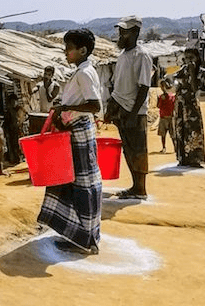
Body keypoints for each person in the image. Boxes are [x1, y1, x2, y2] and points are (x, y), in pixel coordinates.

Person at [38, 29, 102, 255]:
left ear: (82, 50)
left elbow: (95, 105)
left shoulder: (84, 73)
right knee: (78, 183)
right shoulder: (84, 71)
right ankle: (84, 236)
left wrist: (66, 108)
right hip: (77, 130)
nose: (66, 53)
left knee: (82, 185)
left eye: (69, 49)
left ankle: (85, 239)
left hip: (79, 132)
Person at [105, 15, 152, 200]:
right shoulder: (123, 56)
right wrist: (111, 109)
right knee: (128, 149)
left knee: (138, 150)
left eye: (124, 32)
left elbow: (144, 87)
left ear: (135, 33)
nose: (120, 35)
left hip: (134, 111)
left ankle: (141, 189)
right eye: (120, 31)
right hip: (121, 109)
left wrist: (133, 114)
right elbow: (118, 86)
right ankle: (135, 186)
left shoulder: (142, 56)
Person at [165, 47, 205, 167]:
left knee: (194, 131)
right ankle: (182, 159)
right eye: (186, 58)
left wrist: (192, 72)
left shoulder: (202, 72)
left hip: (192, 105)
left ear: (197, 58)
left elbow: (195, 88)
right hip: (180, 104)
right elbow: (172, 83)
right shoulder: (182, 70)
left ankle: (195, 159)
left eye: (191, 58)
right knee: (180, 131)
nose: (188, 60)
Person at [156, 80, 175, 153]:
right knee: (171, 135)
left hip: (165, 117)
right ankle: (174, 148)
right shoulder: (171, 96)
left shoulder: (163, 97)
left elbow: (159, 106)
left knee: (164, 135)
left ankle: (165, 148)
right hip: (169, 117)